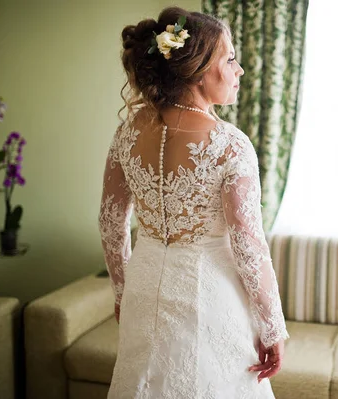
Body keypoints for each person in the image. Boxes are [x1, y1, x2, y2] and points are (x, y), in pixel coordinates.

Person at [98, 6, 290, 398]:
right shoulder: (230, 144)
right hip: (211, 293)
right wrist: (272, 327)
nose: (239, 70)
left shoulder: (127, 132)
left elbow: (110, 222)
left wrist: (122, 291)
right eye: (230, 59)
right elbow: (248, 243)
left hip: (143, 287)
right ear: (199, 69)